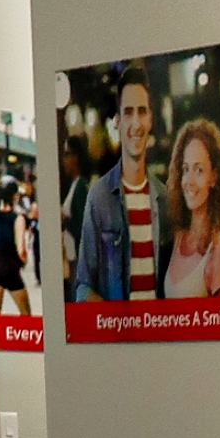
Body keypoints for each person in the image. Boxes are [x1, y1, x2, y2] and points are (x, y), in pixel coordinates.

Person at [73, 65, 167, 302]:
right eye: (128, 112)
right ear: (117, 121)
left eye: (142, 111)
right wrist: (114, 325)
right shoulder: (100, 196)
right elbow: (82, 287)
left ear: (151, 119)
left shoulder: (165, 199)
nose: (135, 123)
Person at [161, 118, 220, 301]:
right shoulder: (178, 237)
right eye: (185, 169)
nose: (188, 181)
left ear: (213, 177)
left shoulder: (218, 251)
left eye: (198, 170)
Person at [0, 172, 29, 316]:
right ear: (14, 196)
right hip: (11, 271)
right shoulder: (18, 219)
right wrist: (24, 261)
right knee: (26, 314)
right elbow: (21, 249)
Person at [58, 135, 90, 285]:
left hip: (78, 259)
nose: (64, 161)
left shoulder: (81, 187)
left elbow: (83, 227)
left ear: (76, 157)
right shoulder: (74, 184)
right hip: (71, 258)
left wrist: (65, 219)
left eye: (67, 155)